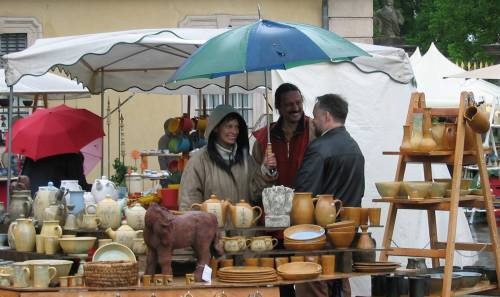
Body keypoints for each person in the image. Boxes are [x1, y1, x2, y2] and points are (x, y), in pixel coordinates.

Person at [294, 94, 365, 297]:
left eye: (315, 117)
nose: (313, 121)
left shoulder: (319, 148)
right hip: (346, 235)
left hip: (318, 238)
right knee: (340, 285)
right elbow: (358, 192)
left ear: (326, 116)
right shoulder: (355, 148)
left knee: (314, 286)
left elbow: (304, 194)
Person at [179, 105, 277, 210]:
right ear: (216, 128)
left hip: (245, 226)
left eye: (236, 127)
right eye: (229, 126)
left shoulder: (246, 160)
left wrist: (265, 172)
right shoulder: (198, 162)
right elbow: (189, 203)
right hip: (212, 226)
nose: (234, 132)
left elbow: (256, 195)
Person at [253, 83, 315, 187]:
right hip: (274, 202)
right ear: (279, 107)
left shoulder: (315, 130)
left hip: (307, 201)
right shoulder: (264, 138)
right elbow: (254, 180)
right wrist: (265, 171)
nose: (295, 108)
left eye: (298, 103)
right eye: (289, 104)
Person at [21, 152, 91, 196]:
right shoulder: (73, 155)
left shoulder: (33, 154)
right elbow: (80, 186)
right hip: (62, 205)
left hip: (35, 203)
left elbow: (25, 179)